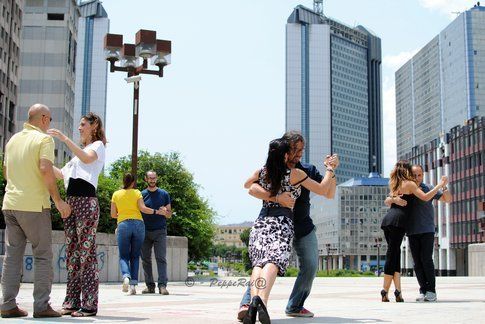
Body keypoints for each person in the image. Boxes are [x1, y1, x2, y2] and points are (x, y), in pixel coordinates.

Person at [237, 131, 338, 321]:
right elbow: (251, 187)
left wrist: (331, 172)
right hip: (281, 225)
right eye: (295, 149)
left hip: (297, 225)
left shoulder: (301, 169)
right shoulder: (283, 171)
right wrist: (276, 198)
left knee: (272, 264)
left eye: (302, 150)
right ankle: (251, 301)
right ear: (285, 150)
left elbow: (329, 192)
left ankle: (290, 305)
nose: (299, 153)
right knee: (270, 263)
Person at [1, 103, 71, 319]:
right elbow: (44, 169)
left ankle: (7, 304)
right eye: (49, 120)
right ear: (42, 118)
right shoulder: (44, 139)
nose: (49, 124)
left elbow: (6, 171)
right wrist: (58, 200)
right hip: (34, 206)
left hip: (10, 204)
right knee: (42, 255)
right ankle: (41, 306)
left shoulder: (12, 140)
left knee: (12, 256)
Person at [48, 112, 106, 317]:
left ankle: (89, 305)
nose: (80, 128)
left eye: (83, 124)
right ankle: (72, 301)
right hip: (71, 203)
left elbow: (87, 159)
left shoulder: (97, 147)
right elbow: (62, 173)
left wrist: (64, 139)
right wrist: (43, 162)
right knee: (72, 255)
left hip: (86, 203)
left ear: (94, 125)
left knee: (86, 254)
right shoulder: (77, 154)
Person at [380, 160, 447, 302]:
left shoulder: (396, 184)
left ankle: (398, 291)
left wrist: (394, 200)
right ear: (406, 171)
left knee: (395, 255)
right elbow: (425, 197)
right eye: (411, 171)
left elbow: (388, 200)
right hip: (398, 223)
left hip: (388, 221)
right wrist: (440, 185)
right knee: (392, 256)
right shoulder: (409, 184)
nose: (414, 175)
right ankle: (385, 290)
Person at [111, 173, 165, 295]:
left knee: (124, 256)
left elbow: (113, 214)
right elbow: (143, 208)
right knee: (135, 256)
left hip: (123, 224)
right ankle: (133, 286)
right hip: (139, 225)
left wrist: (124, 215)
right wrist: (157, 212)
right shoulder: (137, 193)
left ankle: (126, 276)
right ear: (133, 183)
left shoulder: (116, 194)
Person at [140, 170, 172, 295]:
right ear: (146, 179)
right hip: (145, 230)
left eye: (154, 178)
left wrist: (165, 212)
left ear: (156, 179)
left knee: (161, 258)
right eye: (150, 178)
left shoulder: (164, 194)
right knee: (145, 259)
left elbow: (169, 214)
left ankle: (162, 286)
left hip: (160, 230)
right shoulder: (141, 194)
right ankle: (150, 286)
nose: (152, 180)